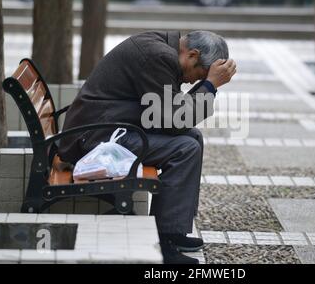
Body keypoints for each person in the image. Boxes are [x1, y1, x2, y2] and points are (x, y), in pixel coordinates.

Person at [58, 30, 236, 263]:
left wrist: (208, 83)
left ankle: (173, 232)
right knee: (186, 148)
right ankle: (163, 242)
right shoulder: (158, 56)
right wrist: (210, 86)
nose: (194, 81)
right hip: (98, 137)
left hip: (112, 126)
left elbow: (172, 114)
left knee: (193, 138)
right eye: (199, 75)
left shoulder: (165, 49)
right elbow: (174, 120)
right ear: (192, 55)